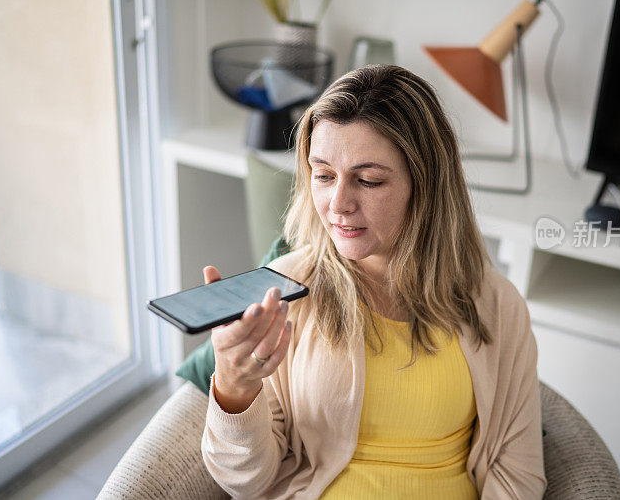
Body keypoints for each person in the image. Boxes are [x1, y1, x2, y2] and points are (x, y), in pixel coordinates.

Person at [200, 65, 546, 499]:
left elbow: (520, 475)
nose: (338, 204)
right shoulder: (284, 292)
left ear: (426, 184)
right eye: (323, 175)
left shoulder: (496, 304)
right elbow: (245, 481)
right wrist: (234, 386)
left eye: (369, 180)